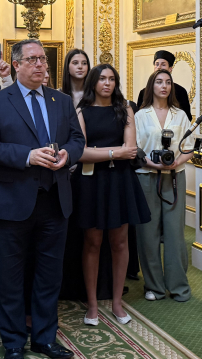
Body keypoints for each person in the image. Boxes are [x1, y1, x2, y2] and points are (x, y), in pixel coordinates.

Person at [0, 38, 85, 359]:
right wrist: (28, 156)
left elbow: (77, 139)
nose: (41, 65)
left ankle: (44, 338)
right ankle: (13, 343)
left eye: (44, 60)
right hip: (12, 202)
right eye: (33, 59)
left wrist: (68, 153)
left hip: (55, 201)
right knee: (9, 277)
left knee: (49, 275)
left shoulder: (61, 101)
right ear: (16, 65)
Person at [75, 64, 149, 325]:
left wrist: (102, 151)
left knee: (120, 243)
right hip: (91, 182)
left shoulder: (125, 108)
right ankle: (92, 305)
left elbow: (131, 149)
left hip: (120, 181)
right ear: (93, 82)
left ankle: (117, 302)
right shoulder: (81, 110)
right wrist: (114, 153)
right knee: (92, 243)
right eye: (102, 79)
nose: (107, 83)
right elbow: (81, 152)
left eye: (112, 79)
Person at [134, 69, 194, 303]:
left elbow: (188, 146)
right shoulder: (140, 115)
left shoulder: (180, 115)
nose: (164, 86)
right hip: (146, 176)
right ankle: (155, 287)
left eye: (168, 82)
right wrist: (149, 162)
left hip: (175, 177)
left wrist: (177, 161)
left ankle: (179, 287)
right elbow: (135, 147)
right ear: (151, 86)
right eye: (159, 82)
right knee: (148, 234)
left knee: (175, 234)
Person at [135, 50, 191, 120]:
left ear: (170, 69)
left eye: (163, 65)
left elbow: (187, 118)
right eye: (157, 64)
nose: (159, 67)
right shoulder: (144, 92)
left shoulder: (180, 91)